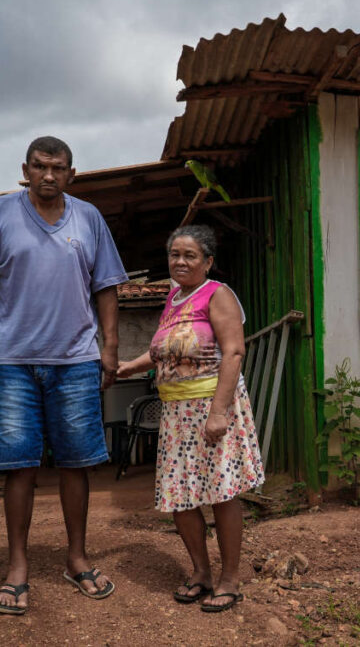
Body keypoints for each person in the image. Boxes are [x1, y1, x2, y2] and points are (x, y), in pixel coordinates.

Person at [0, 136, 128, 615]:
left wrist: (110, 348)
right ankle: (17, 566)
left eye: (57, 168)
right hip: (11, 362)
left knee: (77, 462)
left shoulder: (89, 218)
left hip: (75, 361)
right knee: (19, 465)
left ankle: (77, 559)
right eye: (39, 166)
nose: (48, 175)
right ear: (25, 169)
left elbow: (107, 287)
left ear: (71, 173)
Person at [117, 225, 264, 612]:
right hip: (176, 413)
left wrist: (218, 412)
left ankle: (229, 579)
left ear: (208, 261)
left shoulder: (217, 294)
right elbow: (164, 351)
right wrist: (129, 367)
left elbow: (233, 352)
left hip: (211, 406)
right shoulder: (173, 298)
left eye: (190, 255)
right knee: (179, 496)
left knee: (221, 493)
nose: (180, 261)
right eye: (174, 254)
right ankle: (201, 573)